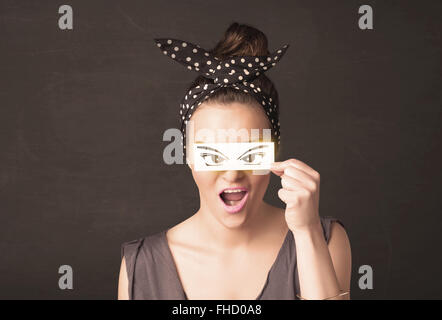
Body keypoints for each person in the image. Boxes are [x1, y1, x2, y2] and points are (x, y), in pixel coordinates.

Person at [118, 22, 351, 300]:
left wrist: (307, 232)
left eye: (250, 152)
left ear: (273, 154)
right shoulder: (140, 265)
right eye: (212, 154)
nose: (232, 172)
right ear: (189, 156)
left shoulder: (325, 239)